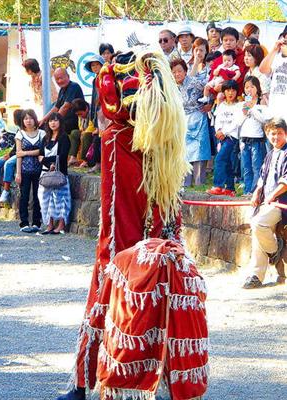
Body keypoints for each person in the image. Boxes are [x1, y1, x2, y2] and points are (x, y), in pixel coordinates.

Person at [56, 50, 208, 400]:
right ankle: (170, 381)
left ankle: (88, 381)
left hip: (123, 250)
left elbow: (113, 226)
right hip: (161, 244)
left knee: (110, 284)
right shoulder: (168, 140)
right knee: (163, 291)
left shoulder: (116, 139)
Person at [243, 118, 287, 289]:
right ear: (267, 134)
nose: (275, 137)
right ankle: (256, 275)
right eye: (272, 133)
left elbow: (285, 181)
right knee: (256, 228)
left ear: (286, 133)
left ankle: (274, 250)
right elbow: (262, 178)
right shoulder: (270, 154)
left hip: (280, 203)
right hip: (267, 202)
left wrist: (272, 197)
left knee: (258, 223)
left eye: (279, 133)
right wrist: (256, 193)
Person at [171, 58, 211, 187]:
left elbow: (209, 86)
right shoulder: (171, 87)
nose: (177, 74)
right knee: (184, 151)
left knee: (199, 151)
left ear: (185, 71)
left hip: (198, 116)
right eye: (174, 72)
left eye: (179, 71)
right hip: (182, 119)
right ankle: (185, 183)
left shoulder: (195, 82)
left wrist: (209, 103)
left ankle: (199, 183)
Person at [38, 113, 71, 235]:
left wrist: (48, 161)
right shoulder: (45, 138)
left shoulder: (64, 138)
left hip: (59, 173)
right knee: (45, 200)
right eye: (51, 121)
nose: (53, 123)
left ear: (60, 123)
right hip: (45, 173)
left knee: (61, 199)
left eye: (56, 121)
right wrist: (49, 163)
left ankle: (61, 224)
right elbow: (40, 156)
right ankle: (49, 223)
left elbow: (62, 156)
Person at [207, 80, 240, 196]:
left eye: (233, 90)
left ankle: (218, 185)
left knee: (220, 159)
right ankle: (230, 188)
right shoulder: (221, 106)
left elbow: (237, 122)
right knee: (228, 162)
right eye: (228, 90)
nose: (230, 93)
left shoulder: (239, 106)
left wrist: (224, 132)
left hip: (231, 137)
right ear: (224, 92)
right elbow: (217, 120)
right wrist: (218, 131)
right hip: (220, 137)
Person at [238, 76, 269, 196]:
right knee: (246, 167)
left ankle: (255, 191)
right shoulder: (243, 104)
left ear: (257, 88)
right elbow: (238, 122)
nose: (249, 89)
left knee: (257, 167)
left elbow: (264, 119)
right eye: (246, 87)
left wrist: (252, 109)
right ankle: (247, 190)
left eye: (252, 86)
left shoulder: (261, 103)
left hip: (257, 139)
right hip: (245, 139)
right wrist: (245, 112)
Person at [15, 109, 45, 233]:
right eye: (26, 118)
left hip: (39, 169)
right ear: (23, 121)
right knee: (24, 196)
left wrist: (26, 152)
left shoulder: (42, 133)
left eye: (31, 118)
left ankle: (37, 222)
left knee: (39, 196)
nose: (28, 121)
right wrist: (18, 173)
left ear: (35, 119)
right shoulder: (20, 134)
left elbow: (42, 151)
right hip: (25, 170)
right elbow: (18, 155)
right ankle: (24, 222)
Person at [0, 109, 22, 204]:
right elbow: (15, 147)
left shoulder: (24, 130)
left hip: (21, 154)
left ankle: (6, 191)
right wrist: (9, 154)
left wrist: (10, 155)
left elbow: (21, 148)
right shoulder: (19, 129)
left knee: (8, 163)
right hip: (14, 153)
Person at [39, 68, 84, 134]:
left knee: (47, 128)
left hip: (74, 122)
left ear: (68, 76)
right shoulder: (62, 90)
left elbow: (65, 107)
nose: (59, 81)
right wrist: (44, 119)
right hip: (64, 121)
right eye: (57, 79)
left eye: (61, 78)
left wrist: (54, 120)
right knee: (41, 126)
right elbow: (56, 107)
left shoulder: (74, 86)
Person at [83, 54, 106, 172]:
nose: (95, 67)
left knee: (101, 139)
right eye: (92, 65)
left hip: (105, 112)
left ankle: (100, 164)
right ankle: (98, 163)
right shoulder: (95, 80)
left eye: (97, 64)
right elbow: (93, 99)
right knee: (97, 138)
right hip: (97, 113)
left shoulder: (106, 77)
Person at [209, 27, 248, 96]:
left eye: (231, 40)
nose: (228, 43)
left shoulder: (244, 57)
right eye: (225, 40)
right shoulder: (217, 61)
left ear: (237, 41)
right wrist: (215, 89)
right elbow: (211, 82)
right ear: (222, 42)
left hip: (239, 96)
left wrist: (224, 85)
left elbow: (240, 78)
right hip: (221, 98)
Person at [259, 30, 287, 119]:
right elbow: (263, 69)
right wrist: (274, 49)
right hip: (275, 109)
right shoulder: (277, 57)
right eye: (285, 39)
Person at [68, 99, 91, 167]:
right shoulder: (79, 115)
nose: (80, 116)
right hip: (84, 131)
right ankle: (73, 157)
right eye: (78, 115)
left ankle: (85, 160)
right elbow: (80, 126)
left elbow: (92, 126)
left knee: (86, 135)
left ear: (86, 109)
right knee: (74, 133)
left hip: (94, 132)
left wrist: (84, 132)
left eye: (80, 114)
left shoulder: (92, 111)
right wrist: (81, 131)